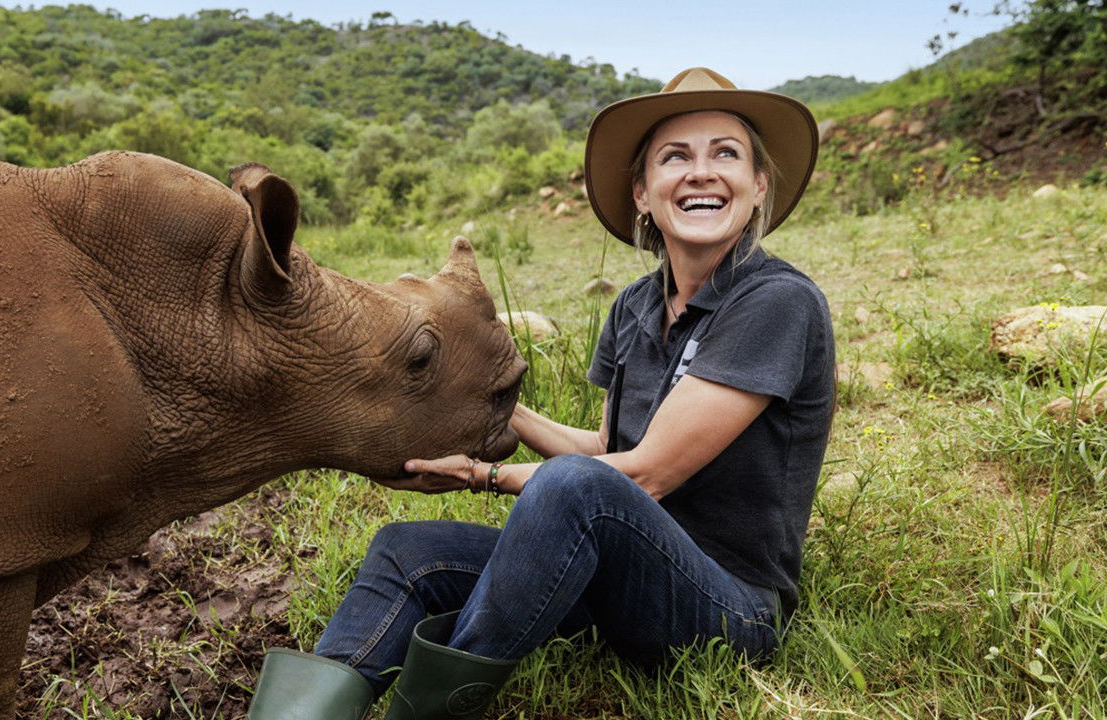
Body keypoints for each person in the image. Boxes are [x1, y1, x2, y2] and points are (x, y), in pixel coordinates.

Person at [245, 66, 835, 720]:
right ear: (643, 192)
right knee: (404, 551)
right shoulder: (636, 305)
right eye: (676, 157)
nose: (701, 172)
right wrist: (503, 404)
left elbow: (644, 475)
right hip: (616, 576)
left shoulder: (777, 302)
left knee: (573, 487)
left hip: (728, 609)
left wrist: (482, 475)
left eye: (725, 154)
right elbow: (607, 449)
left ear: (758, 185)